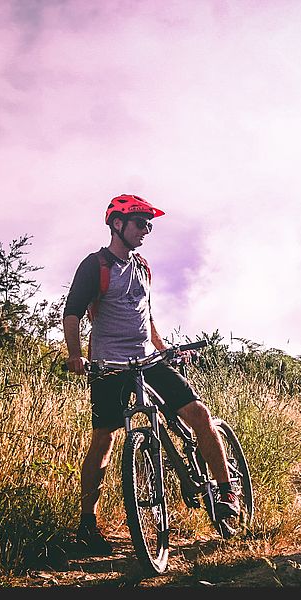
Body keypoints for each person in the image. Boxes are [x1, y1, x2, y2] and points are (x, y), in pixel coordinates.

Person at [62, 193, 239, 555]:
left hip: (149, 359)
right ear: (117, 224)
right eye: (141, 223)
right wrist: (76, 356)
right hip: (110, 364)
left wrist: (163, 349)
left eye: (149, 224)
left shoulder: (142, 266)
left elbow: (146, 314)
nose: (147, 230)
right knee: (104, 439)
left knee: (199, 415)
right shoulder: (95, 265)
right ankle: (87, 524)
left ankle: (226, 493)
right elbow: (72, 313)